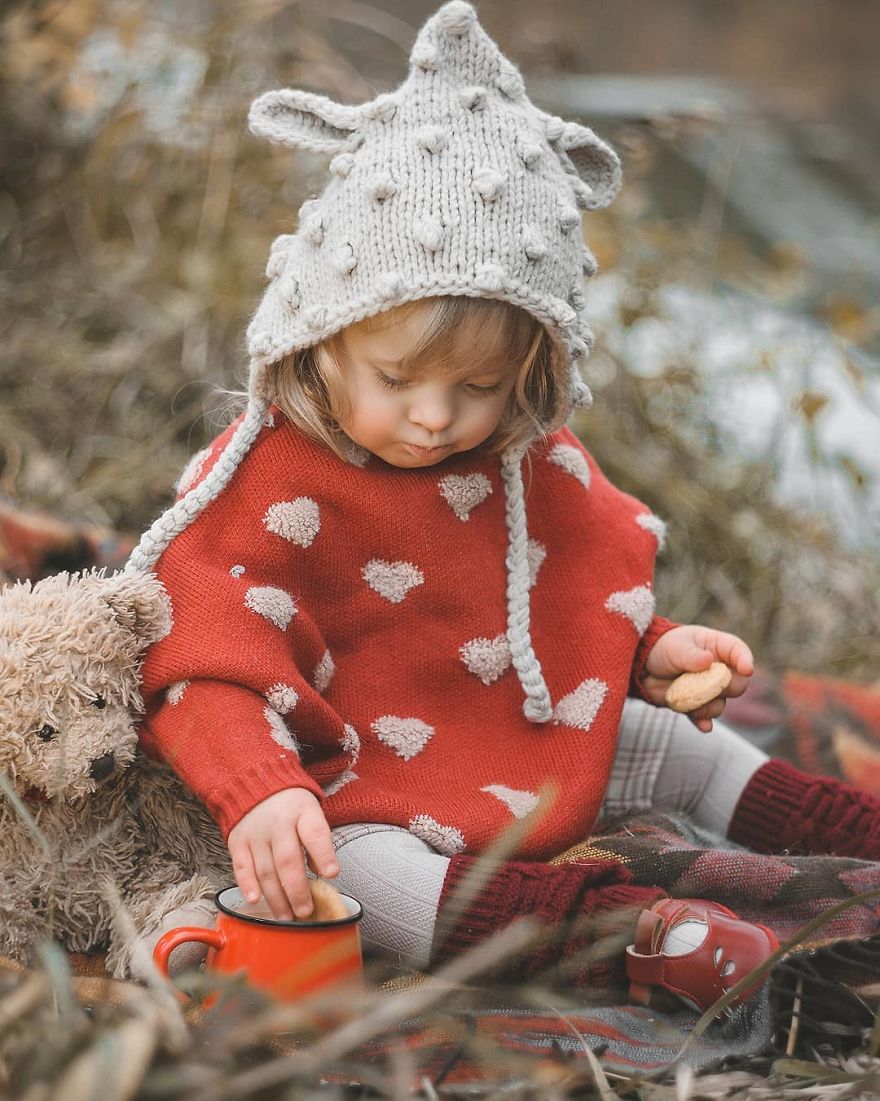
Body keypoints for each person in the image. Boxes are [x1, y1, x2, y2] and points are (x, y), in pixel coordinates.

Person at [131, 2, 880, 1011]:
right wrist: (255, 791)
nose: (436, 418)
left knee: (666, 745)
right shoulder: (266, 480)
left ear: (529, 374)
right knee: (352, 876)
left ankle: (847, 825)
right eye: (397, 378)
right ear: (323, 336)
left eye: (478, 388)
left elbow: (555, 593)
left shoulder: (523, 460)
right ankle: (625, 937)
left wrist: (647, 651)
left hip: (502, 739)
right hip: (353, 780)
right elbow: (198, 655)